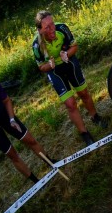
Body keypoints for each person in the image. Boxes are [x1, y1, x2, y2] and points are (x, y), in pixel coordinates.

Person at [33, 11, 107, 146]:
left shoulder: (62, 29)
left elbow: (74, 46)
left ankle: (95, 117)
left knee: (83, 93)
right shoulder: (37, 45)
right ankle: (84, 133)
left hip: (70, 63)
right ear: (39, 29)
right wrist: (49, 65)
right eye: (47, 27)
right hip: (55, 72)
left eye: (52, 24)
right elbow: (41, 67)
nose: (52, 29)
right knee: (70, 104)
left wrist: (66, 54)